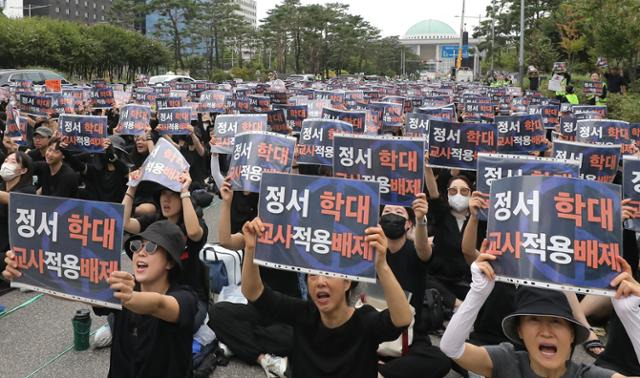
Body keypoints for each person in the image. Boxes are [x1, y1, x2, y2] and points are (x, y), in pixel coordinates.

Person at [2, 220, 199, 378]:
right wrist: (28, 274)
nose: (140, 251)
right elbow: (74, 290)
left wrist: (127, 297)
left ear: (171, 262)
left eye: (152, 247)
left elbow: (158, 304)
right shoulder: (124, 289)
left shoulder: (186, 298)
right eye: (137, 245)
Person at [241, 217, 413, 378]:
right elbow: (254, 293)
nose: (320, 281)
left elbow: (403, 318)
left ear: (347, 283)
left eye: (328, 275)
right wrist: (250, 248)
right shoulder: (303, 314)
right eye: (312, 275)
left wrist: (381, 265)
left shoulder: (365, 322)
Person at [440, 242, 640, 378]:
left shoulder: (585, 375)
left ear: (572, 333)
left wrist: (631, 315)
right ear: (519, 331)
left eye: (556, 321)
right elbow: (451, 348)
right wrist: (478, 292)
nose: (546, 331)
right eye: (534, 319)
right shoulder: (508, 362)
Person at [376, 198, 452, 378]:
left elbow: (423, 248)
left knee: (439, 360)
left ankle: (379, 372)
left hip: (410, 334)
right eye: (387, 212)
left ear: (408, 223)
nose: (392, 215)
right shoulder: (368, 252)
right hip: (374, 328)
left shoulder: (415, 251)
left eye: (399, 212)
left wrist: (420, 220)